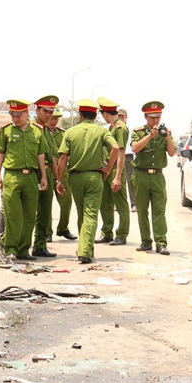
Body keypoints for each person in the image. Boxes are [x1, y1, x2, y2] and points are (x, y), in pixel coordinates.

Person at [55, 99, 123, 264]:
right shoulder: (101, 131)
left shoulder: (70, 132)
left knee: (81, 214)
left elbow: (63, 157)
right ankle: (86, 250)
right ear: (95, 116)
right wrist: (108, 169)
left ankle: (83, 248)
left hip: (76, 177)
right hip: (95, 177)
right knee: (91, 214)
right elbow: (115, 148)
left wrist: (59, 180)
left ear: (80, 115)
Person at [0, 99, 48, 261]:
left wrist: (43, 176)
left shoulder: (37, 132)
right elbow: (0, 153)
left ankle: (24, 250)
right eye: (12, 115)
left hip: (31, 177)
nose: (15, 119)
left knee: (29, 215)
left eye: (18, 115)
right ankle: (11, 249)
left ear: (27, 113)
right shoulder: (6, 131)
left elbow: (41, 155)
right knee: (12, 215)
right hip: (12, 176)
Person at [131, 101, 176, 256]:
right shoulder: (138, 131)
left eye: (157, 117)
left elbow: (171, 153)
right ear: (146, 117)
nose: (155, 120)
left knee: (159, 210)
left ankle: (161, 243)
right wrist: (150, 135)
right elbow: (135, 148)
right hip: (140, 174)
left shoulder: (166, 132)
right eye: (152, 118)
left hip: (157, 175)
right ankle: (145, 242)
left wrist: (168, 136)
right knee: (142, 210)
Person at [95, 97, 130, 246]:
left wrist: (117, 176)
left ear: (104, 113)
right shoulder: (112, 127)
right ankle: (107, 232)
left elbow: (121, 153)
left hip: (116, 169)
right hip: (108, 169)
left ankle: (121, 234)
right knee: (106, 202)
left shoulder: (120, 128)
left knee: (120, 204)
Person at [31, 95, 60, 258]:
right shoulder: (30, 129)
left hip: (47, 173)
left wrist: (57, 179)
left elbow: (54, 157)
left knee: (44, 212)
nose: (48, 115)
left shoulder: (47, 132)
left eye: (51, 112)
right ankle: (22, 246)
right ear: (37, 110)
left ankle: (40, 245)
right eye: (45, 111)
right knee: (29, 212)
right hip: (34, 173)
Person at [47, 109, 77, 240]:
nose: (53, 121)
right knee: (45, 203)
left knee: (66, 201)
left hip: (61, 171)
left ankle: (63, 228)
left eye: (56, 118)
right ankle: (46, 232)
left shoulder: (63, 134)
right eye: (52, 118)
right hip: (46, 170)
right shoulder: (41, 132)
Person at [118, 108, 136, 212]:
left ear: (126, 117)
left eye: (122, 116)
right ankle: (119, 204)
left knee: (130, 181)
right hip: (117, 157)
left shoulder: (131, 129)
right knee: (118, 180)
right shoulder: (113, 129)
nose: (120, 118)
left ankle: (133, 204)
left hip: (128, 157)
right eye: (119, 116)